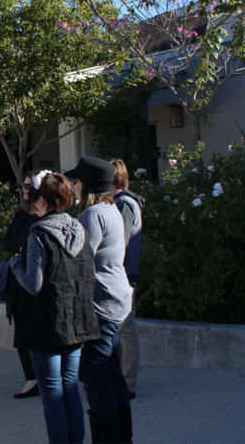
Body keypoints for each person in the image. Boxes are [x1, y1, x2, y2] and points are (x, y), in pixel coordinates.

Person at [10, 171, 100, 444]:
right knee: (69, 389)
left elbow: (33, 284)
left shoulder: (39, 234)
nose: (31, 202)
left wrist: (15, 264)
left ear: (42, 201)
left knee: (52, 394)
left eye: (34, 197)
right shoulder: (79, 228)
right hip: (76, 320)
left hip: (46, 324)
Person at [64, 157, 134, 444]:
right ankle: (122, 437)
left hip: (101, 306)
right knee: (111, 372)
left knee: (95, 377)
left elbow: (78, 260)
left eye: (76, 182)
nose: (73, 186)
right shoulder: (110, 208)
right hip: (116, 302)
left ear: (88, 186)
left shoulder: (92, 215)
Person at [1, 171, 41, 399]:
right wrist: (22, 243)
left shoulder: (43, 217)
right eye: (23, 185)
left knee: (34, 329)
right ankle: (31, 377)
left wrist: (20, 243)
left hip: (34, 279)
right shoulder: (20, 214)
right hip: (17, 280)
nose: (24, 189)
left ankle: (40, 377)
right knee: (21, 330)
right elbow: (5, 242)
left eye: (29, 185)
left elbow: (30, 243)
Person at [108, 159, 145, 400]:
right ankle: (121, 380)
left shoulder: (125, 204)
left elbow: (120, 242)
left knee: (126, 329)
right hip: (122, 273)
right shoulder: (121, 203)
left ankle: (127, 383)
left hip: (123, 274)